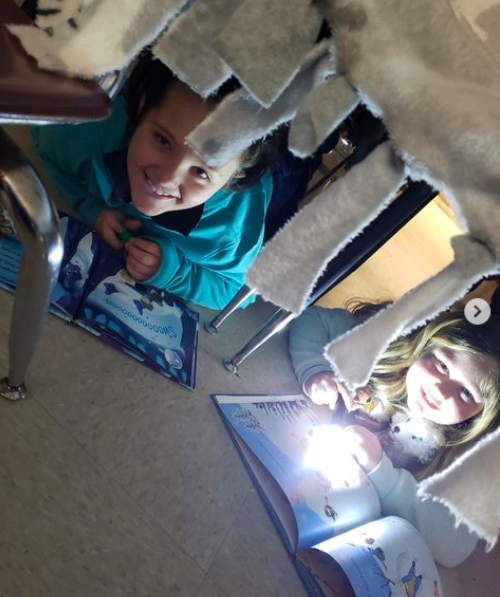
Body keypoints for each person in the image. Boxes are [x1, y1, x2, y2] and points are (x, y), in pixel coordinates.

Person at [31, 53, 283, 310]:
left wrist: (175, 272)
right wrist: (92, 208)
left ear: (236, 173)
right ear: (140, 107)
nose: (167, 178)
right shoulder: (87, 132)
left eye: (201, 172)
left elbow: (239, 293)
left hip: (270, 175)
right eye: (162, 140)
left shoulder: (233, 228)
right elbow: (45, 142)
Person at [289, 302, 500, 567]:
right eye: (443, 366)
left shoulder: (467, 453)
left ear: (483, 414)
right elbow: (314, 319)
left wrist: (382, 473)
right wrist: (315, 370)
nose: (441, 391)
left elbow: (455, 547)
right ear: (426, 344)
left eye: (466, 393)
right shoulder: (385, 350)